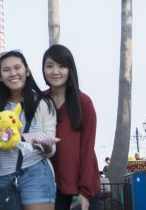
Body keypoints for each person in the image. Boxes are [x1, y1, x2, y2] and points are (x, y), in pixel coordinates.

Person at [0, 50, 58, 210]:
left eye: (17, 67)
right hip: (3, 178)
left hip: (36, 173)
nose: (13, 73)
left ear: (27, 71)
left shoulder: (43, 104)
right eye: (6, 70)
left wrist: (45, 144)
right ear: (1, 77)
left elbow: (51, 150)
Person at [42, 44, 100, 210]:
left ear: (70, 70)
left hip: (82, 191)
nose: (55, 71)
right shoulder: (40, 101)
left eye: (62, 66)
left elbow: (88, 149)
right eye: (49, 66)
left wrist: (85, 192)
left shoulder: (84, 103)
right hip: (52, 188)